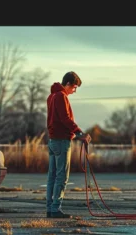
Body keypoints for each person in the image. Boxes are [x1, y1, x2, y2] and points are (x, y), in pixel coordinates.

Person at [45, 71, 91, 218]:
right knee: (62, 176)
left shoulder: (51, 96)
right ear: (69, 84)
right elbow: (65, 119)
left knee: (52, 176)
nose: (75, 90)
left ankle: (50, 208)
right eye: (75, 87)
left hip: (53, 141)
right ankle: (55, 209)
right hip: (61, 141)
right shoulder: (61, 96)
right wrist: (79, 133)